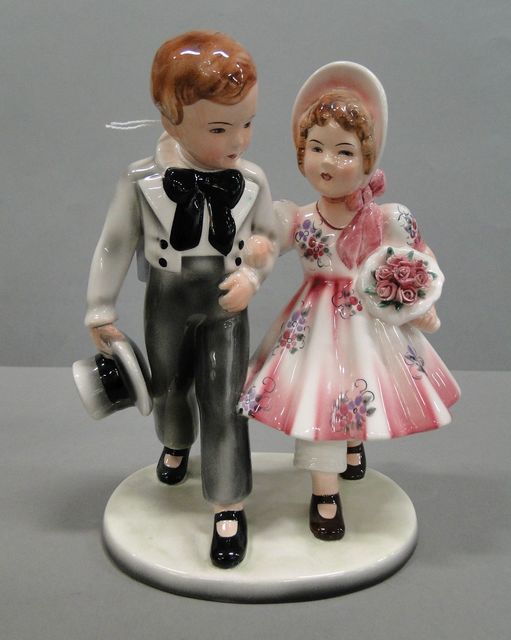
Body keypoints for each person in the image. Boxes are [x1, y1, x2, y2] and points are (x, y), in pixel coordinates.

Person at [239, 62, 460, 541]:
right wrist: (257, 253)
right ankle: (325, 491)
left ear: (367, 160)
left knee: (363, 386)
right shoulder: (299, 218)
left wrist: (422, 304)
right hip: (315, 325)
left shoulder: (388, 218)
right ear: (301, 153)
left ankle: (354, 443)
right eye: (316, 147)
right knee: (320, 399)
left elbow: (419, 261)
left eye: (344, 151)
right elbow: (267, 242)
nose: (328, 161)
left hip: (368, 321)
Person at [85, 31, 276, 568]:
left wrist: (253, 274)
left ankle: (228, 501)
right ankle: (175, 441)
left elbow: (268, 238)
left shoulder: (251, 181)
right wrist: (100, 307)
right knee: (169, 385)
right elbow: (115, 243)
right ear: (172, 121)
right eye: (220, 128)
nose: (238, 140)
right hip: (168, 297)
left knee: (225, 398)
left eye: (247, 123)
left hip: (225, 303)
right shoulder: (141, 181)